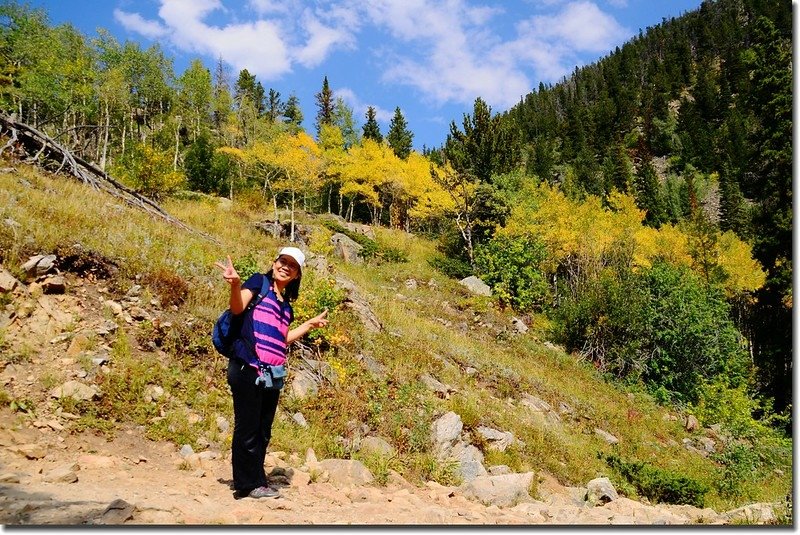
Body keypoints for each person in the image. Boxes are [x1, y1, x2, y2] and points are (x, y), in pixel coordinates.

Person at [215, 246, 328, 499]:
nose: (285, 266)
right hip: (248, 367)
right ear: (274, 262)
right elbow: (237, 308)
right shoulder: (259, 283)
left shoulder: (286, 307)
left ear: (297, 274)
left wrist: (309, 325)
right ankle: (247, 484)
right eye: (282, 261)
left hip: (271, 375)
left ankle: (256, 479)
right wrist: (235, 285)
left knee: (263, 429)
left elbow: (282, 338)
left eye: (292, 265)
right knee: (248, 427)